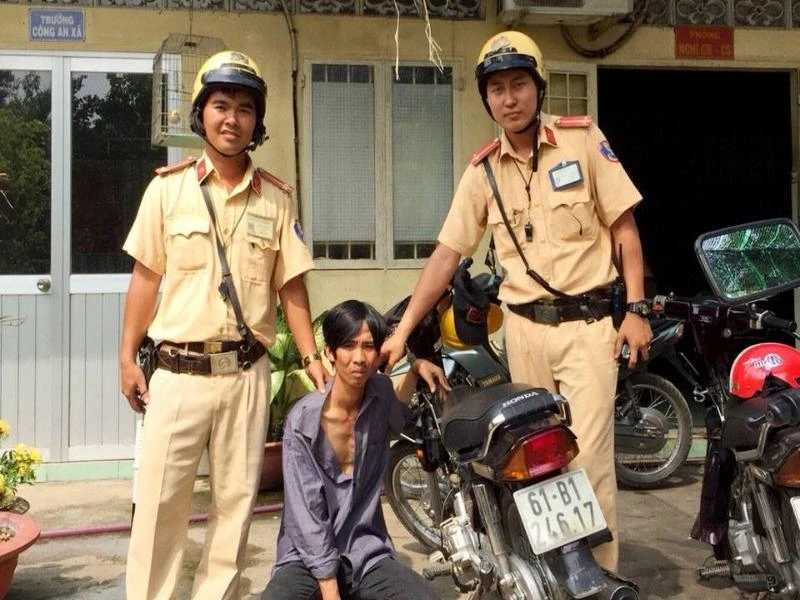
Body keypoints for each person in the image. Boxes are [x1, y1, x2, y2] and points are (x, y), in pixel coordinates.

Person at [380, 31, 652, 573]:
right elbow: (446, 255)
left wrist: (637, 310)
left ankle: (599, 578)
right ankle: (553, 575)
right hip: (524, 333)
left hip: (588, 328)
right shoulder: (482, 171)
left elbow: (624, 227)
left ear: (538, 86)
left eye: (519, 84)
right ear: (486, 98)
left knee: (589, 463)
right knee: (532, 463)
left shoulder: (581, 140)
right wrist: (403, 329)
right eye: (497, 89)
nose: (509, 98)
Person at [119, 50, 327, 600]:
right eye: (220, 105)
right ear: (200, 114)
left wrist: (311, 358)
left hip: (245, 378)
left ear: (257, 122)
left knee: (234, 511)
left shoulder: (277, 199)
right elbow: (145, 278)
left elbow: (291, 286)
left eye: (244, 108)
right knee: (159, 508)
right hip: (176, 375)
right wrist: (126, 357)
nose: (232, 118)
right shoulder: (167, 190)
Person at [261, 300, 447, 600]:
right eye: (348, 346)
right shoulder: (303, 421)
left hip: (365, 552)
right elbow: (307, 515)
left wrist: (415, 367)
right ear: (329, 352)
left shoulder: (380, 394)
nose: (359, 358)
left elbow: (401, 421)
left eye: (368, 347)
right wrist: (330, 591)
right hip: (305, 559)